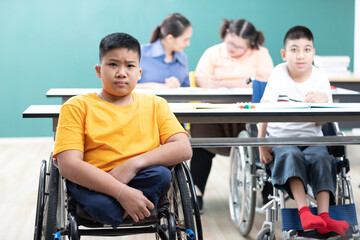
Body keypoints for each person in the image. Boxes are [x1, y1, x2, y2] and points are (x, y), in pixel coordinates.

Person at [53, 32, 192, 228]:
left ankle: (124, 209)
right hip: (94, 182)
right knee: (103, 206)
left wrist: (133, 165)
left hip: (141, 177)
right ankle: (131, 208)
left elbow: (183, 148)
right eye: (113, 64)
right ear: (99, 70)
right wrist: (121, 192)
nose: (121, 72)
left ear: (140, 73)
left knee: (161, 175)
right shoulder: (76, 106)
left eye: (130, 66)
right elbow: (69, 165)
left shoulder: (155, 104)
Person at [258, 26, 349, 236]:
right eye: (294, 49)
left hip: (312, 138)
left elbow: (320, 123)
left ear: (313, 53)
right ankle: (304, 211)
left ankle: (325, 217)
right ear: (284, 54)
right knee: (291, 155)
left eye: (307, 49)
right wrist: (262, 143)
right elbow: (265, 109)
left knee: (323, 159)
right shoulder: (278, 73)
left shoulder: (320, 77)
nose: (301, 55)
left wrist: (323, 102)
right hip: (283, 139)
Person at [190, 19, 274, 210]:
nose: (232, 48)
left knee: (265, 141)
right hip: (215, 114)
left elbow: (265, 82)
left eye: (239, 46)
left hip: (249, 116)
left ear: (251, 43)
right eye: (230, 42)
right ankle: (196, 194)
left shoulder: (261, 53)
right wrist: (242, 82)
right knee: (201, 145)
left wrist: (222, 82)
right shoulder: (213, 52)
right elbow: (201, 78)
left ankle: (268, 193)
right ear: (226, 33)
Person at [138, 13, 192, 89]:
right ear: (170, 38)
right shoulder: (140, 54)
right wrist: (154, 86)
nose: (188, 43)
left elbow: (187, 90)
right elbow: (124, 88)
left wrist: (177, 86)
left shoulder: (182, 58)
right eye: (185, 39)